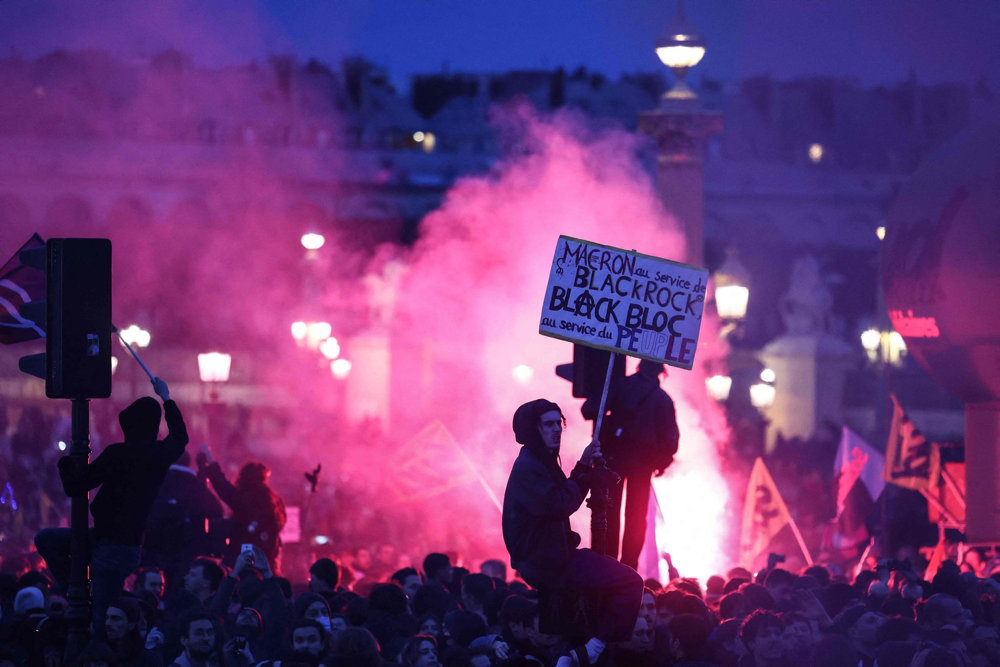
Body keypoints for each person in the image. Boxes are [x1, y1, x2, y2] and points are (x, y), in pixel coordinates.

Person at [35, 376, 188, 631]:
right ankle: (79, 592)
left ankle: (76, 593)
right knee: (101, 612)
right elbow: (180, 437)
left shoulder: (119, 454)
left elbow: (76, 486)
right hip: (122, 544)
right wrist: (166, 397)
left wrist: (65, 464)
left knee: (100, 623)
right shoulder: (160, 455)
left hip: (109, 547)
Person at [502, 398, 643, 665]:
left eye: (559, 423)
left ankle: (576, 651)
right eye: (548, 424)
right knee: (630, 582)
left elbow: (561, 494)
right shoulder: (529, 466)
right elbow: (559, 504)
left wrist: (582, 465)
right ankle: (592, 650)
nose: (557, 429)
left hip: (553, 556)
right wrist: (588, 477)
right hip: (548, 560)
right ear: (534, 429)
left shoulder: (539, 460)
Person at [583, 359, 679, 570]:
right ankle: (628, 568)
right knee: (637, 516)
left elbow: (588, 409)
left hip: (612, 460)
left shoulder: (618, 385)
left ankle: (605, 563)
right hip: (643, 465)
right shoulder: (662, 399)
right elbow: (671, 440)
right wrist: (661, 463)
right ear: (659, 372)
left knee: (607, 510)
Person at [201, 459, 287, 573]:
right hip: (268, 558)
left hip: (244, 555)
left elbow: (223, 487)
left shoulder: (245, 498)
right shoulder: (274, 501)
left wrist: (210, 461)